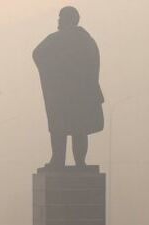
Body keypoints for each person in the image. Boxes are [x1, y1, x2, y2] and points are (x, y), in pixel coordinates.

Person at [33, 6, 104, 167]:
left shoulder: (56, 39)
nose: (58, 20)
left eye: (60, 17)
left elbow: (37, 54)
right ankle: (80, 162)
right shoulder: (87, 40)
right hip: (82, 95)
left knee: (60, 129)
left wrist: (53, 72)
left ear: (67, 19)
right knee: (80, 129)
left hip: (61, 96)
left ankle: (59, 159)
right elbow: (94, 65)